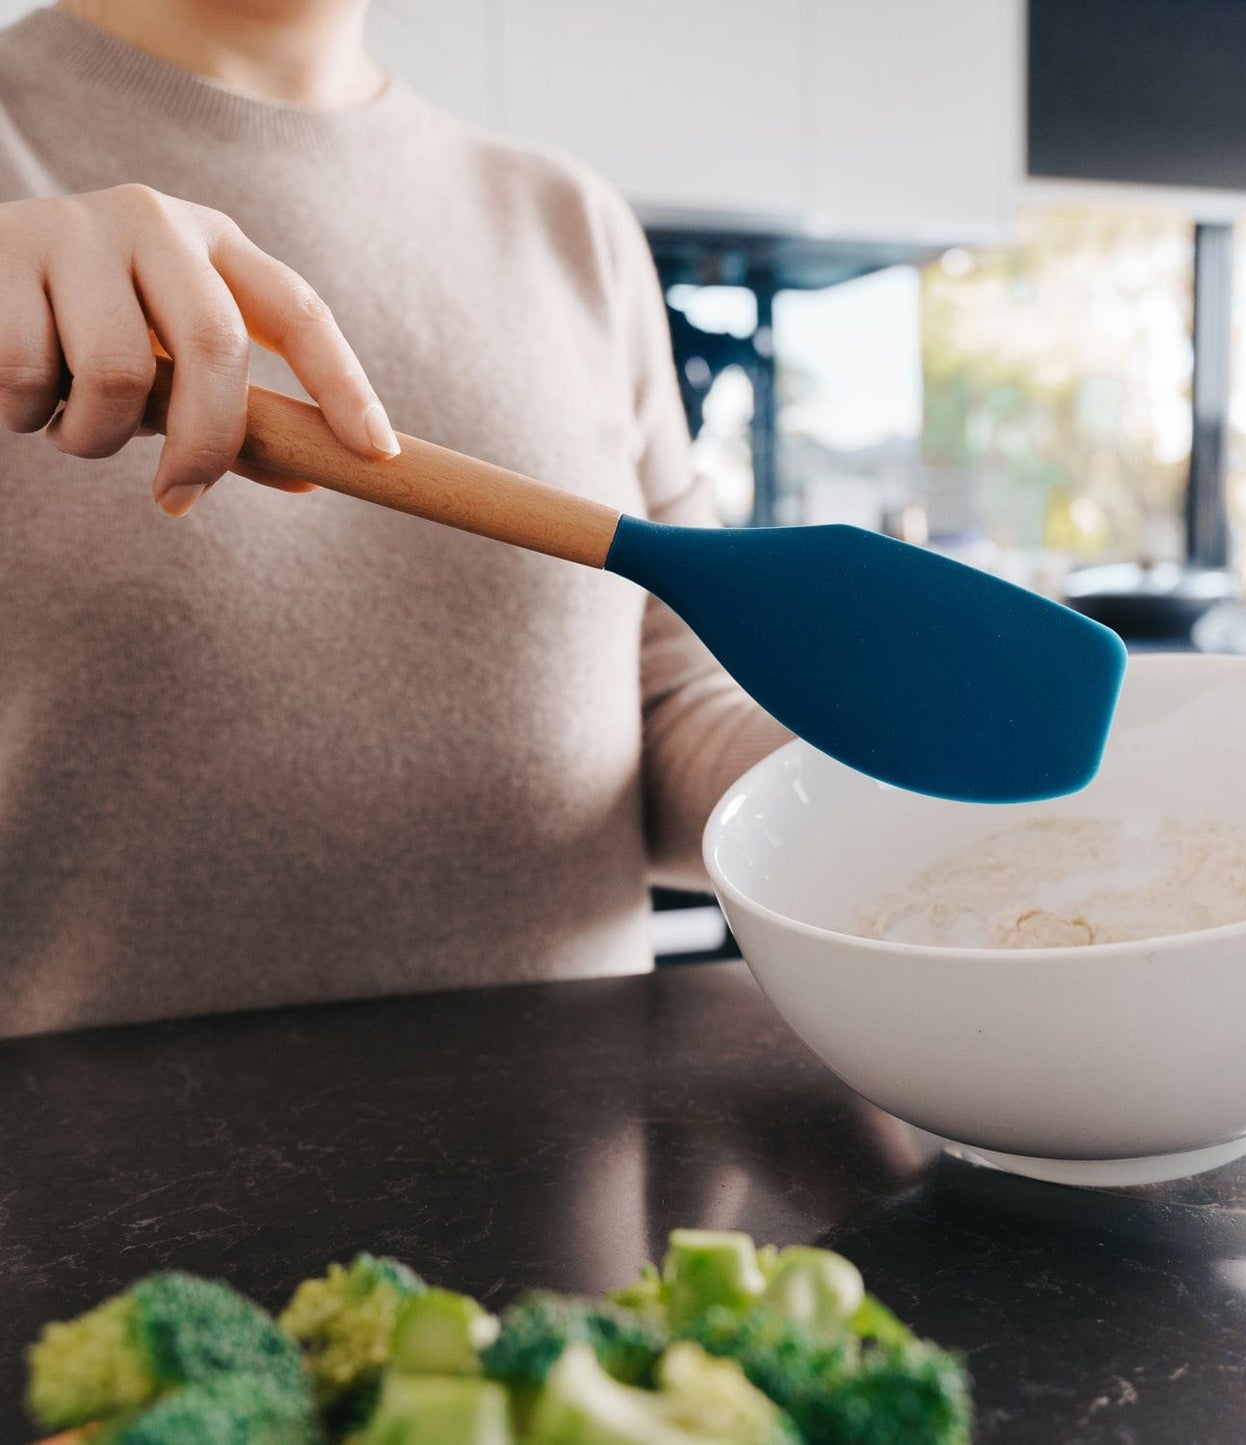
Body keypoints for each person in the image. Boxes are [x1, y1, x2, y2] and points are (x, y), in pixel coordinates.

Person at [0, 0, 790, 1036]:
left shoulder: (568, 220)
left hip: (574, 1168)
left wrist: (918, 776)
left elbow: (665, 704)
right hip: (80, 1187)